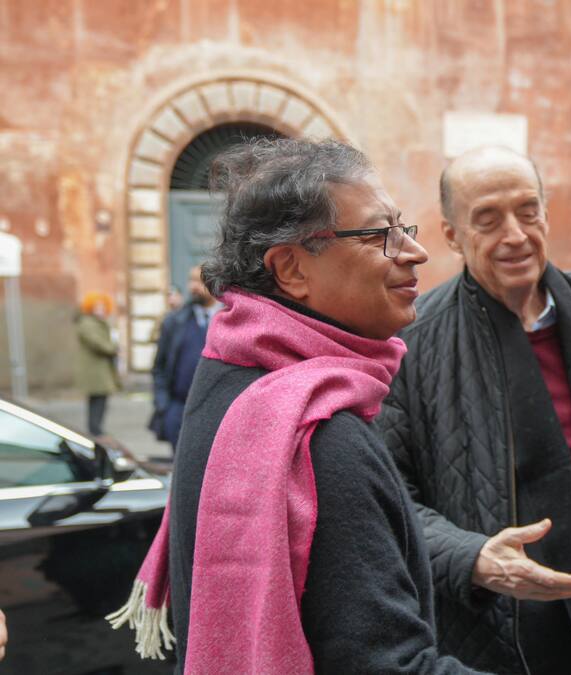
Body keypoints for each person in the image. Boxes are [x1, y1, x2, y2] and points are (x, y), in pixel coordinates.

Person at [108, 138, 480, 673]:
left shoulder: (228, 371)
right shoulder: (317, 433)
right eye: (379, 234)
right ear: (291, 270)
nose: (413, 252)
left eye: (403, 227)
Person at [378, 146, 571, 674]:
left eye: (527, 211)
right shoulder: (413, 345)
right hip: (507, 628)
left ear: (545, 213)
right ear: (452, 235)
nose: (516, 235)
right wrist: (470, 557)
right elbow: (388, 498)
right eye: (489, 219)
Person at [149, 266, 220, 450]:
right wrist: (163, 406)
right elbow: (160, 367)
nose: (193, 287)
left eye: (199, 281)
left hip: (217, 412)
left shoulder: (230, 319)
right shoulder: (174, 321)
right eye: (191, 280)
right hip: (179, 410)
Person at [75, 291, 119, 437]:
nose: (100, 310)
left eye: (102, 307)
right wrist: (113, 348)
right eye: (97, 307)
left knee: (100, 400)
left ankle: (96, 428)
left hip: (100, 368)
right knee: (97, 400)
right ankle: (95, 429)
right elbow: (98, 343)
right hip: (94, 370)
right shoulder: (87, 324)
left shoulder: (100, 323)